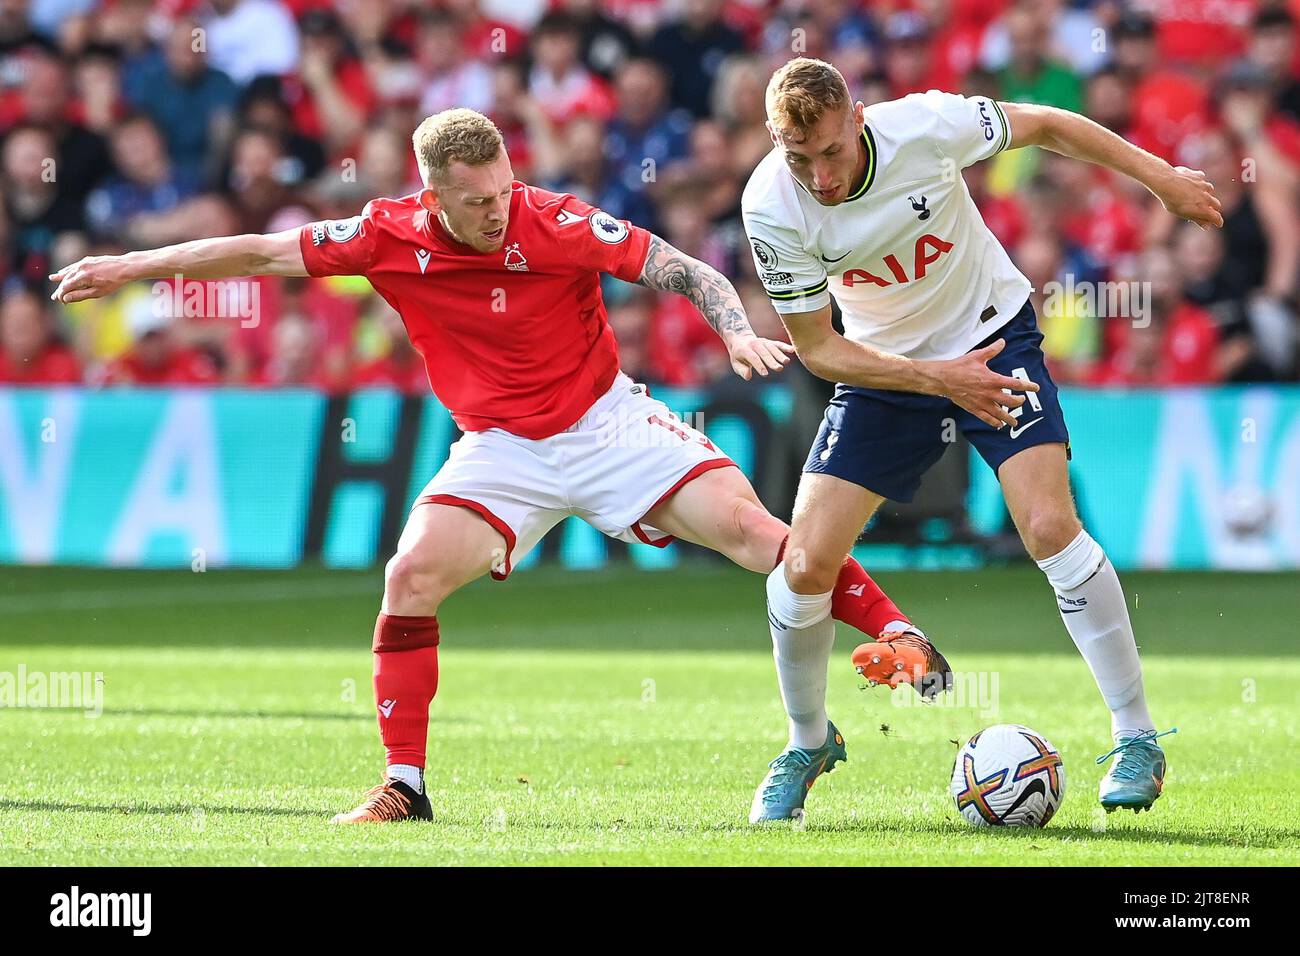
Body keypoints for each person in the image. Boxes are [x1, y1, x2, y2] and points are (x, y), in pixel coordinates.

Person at [50, 107, 946, 825]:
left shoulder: (551, 220)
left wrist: (733, 326)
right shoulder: (384, 234)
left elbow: (672, 265)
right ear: (433, 194)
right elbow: (260, 252)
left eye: (503, 189)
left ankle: (902, 636)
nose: (498, 209)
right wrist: (133, 265)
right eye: (477, 200)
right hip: (500, 450)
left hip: (608, 426)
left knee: (760, 537)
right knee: (409, 575)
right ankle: (405, 785)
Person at [742, 58, 1223, 815]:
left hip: (993, 339)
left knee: (1049, 527)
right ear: (776, 142)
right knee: (803, 564)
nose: (820, 176)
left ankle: (1136, 736)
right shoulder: (770, 204)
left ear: (858, 119)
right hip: (887, 371)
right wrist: (937, 379)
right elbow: (819, 348)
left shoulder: (924, 127)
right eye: (799, 158)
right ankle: (807, 741)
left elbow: (1048, 124)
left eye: (831, 152)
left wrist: (1160, 177)